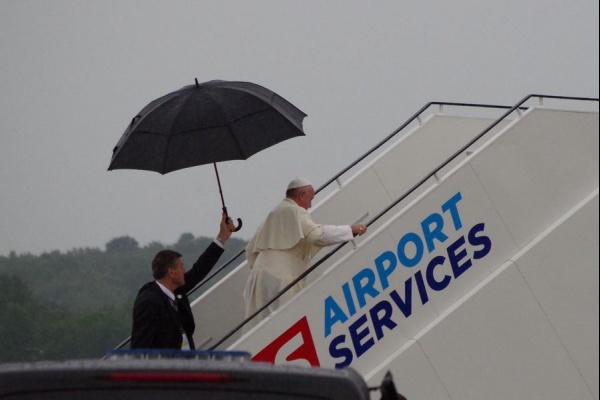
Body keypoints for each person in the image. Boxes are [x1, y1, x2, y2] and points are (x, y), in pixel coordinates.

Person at [243, 177, 367, 332]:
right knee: (285, 326)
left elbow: (250, 251)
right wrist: (350, 230)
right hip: (281, 277)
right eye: (310, 199)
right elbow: (317, 236)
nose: (310, 205)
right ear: (301, 195)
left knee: (260, 328)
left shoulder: (274, 212)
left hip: (258, 277)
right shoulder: (296, 211)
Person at [130, 212, 235, 350]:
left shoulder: (176, 290)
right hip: (166, 369)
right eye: (181, 266)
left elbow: (199, 270)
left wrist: (222, 238)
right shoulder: (149, 301)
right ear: (171, 272)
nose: (185, 271)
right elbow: (140, 347)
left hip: (185, 365)